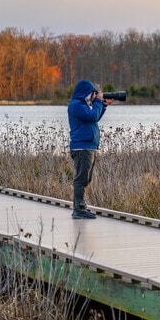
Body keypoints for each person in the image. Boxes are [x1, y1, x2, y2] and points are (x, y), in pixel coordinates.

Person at [67, 80, 113, 219]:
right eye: (93, 93)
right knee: (81, 179)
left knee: (85, 179)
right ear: (87, 92)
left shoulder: (83, 105)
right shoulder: (77, 105)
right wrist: (99, 101)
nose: (94, 95)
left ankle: (80, 208)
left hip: (88, 146)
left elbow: (95, 118)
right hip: (82, 147)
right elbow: (92, 116)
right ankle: (79, 210)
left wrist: (103, 105)